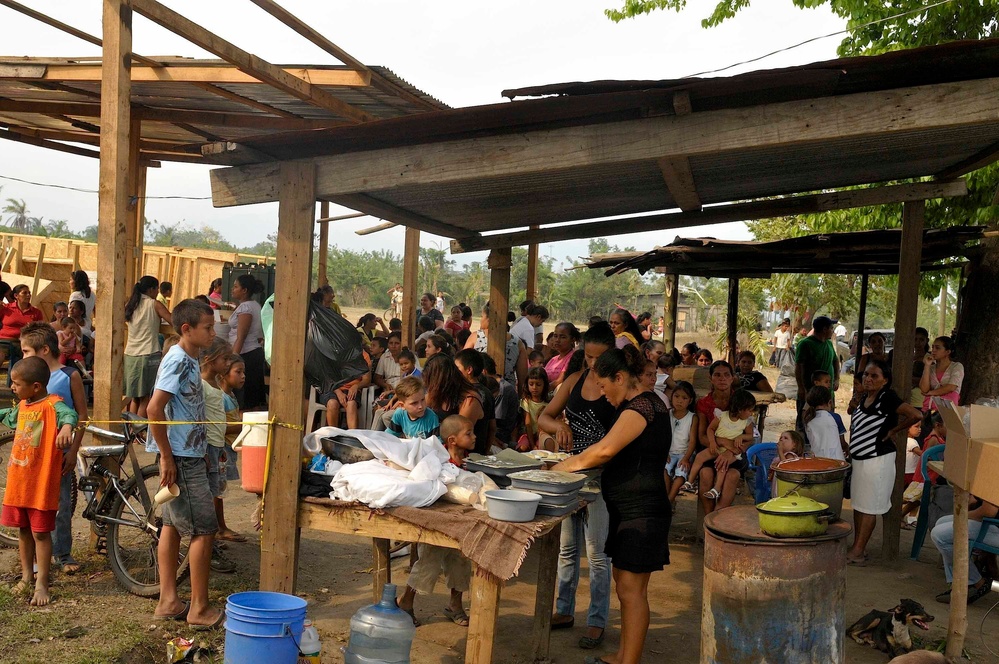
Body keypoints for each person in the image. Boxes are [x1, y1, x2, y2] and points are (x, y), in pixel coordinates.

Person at [552, 345, 672, 664]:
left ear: (620, 377)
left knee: (632, 591)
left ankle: (628, 661)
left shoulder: (641, 407)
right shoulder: (642, 405)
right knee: (626, 586)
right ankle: (622, 655)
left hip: (641, 512)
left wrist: (557, 469)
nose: (603, 393)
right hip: (631, 510)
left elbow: (603, 451)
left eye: (605, 386)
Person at [537, 322, 616, 649]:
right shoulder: (574, 380)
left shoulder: (616, 387)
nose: (593, 364)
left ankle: (597, 621)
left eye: (599, 357)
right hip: (569, 475)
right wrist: (558, 426)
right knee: (567, 550)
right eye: (589, 357)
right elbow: (544, 416)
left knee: (598, 555)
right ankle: (564, 609)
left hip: (601, 478)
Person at [148, 298, 223, 628]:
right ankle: (199, 609)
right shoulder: (177, 359)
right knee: (205, 530)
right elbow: (153, 410)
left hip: (191, 452)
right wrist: (167, 456)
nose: (213, 332)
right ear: (186, 329)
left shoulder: (192, 358)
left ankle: (168, 601)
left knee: (171, 526)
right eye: (207, 328)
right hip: (181, 458)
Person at [0, 356, 77, 606]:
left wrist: (66, 429)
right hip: (18, 482)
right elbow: (8, 417)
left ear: (36, 386)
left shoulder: (53, 405)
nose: (12, 388)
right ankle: (26, 576)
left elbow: (70, 416)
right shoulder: (22, 406)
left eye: (16, 383)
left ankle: (42, 582)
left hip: (41, 484)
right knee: (23, 531)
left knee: (41, 534)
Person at [20, 323, 88, 576]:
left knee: (61, 504)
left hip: (58, 455)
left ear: (45, 349)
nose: (23, 356)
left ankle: (62, 552)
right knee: (33, 505)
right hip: (31, 456)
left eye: (27, 351)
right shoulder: (28, 380)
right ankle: (37, 558)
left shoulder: (69, 376)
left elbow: (81, 414)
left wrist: (73, 451)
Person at [398, 414, 475, 627]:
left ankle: (455, 605)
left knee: (460, 560)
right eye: (469, 433)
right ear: (452, 440)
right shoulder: (437, 459)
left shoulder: (467, 460)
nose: (474, 437)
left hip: (460, 520)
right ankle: (406, 602)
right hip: (436, 519)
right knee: (428, 561)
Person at [844, 359, 922, 565]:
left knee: (869, 507)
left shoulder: (887, 397)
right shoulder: (864, 397)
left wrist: (895, 430)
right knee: (860, 505)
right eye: (866, 375)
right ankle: (857, 547)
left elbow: (916, 414)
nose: (868, 378)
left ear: (885, 380)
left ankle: (858, 551)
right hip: (861, 461)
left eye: (874, 376)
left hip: (877, 461)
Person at [199, 337, 237, 575]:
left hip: (216, 448)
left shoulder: (214, 386)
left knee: (214, 495)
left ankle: (211, 544)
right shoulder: (201, 386)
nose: (227, 362)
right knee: (204, 505)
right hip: (206, 450)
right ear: (208, 360)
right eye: (224, 358)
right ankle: (207, 552)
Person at [683, 389, 755, 501]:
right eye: (749, 410)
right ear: (740, 409)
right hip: (717, 447)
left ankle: (716, 489)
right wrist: (712, 442)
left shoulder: (746, 422)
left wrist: (742, 437)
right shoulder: (722, 416)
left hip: (731, 452)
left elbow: (750, 436)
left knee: (722, 465)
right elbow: (710, 429)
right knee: (699, 457)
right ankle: (690, 481)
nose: (751, 413)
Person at [930, 497, 998, 605]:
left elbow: (989, 511)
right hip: (991, 523)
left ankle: (976, 582)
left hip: (994, 526)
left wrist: (964, 516)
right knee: (941, 522)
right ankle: (961, 583)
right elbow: (973, 500)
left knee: (940, 535)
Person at [124, 276, 172, 417]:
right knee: (146, 397)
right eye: (156, 289)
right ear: (151, 289)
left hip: (131, 354)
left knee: (135, 397)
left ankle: (131, 431)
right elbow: (171, 319)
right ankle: (140, 431)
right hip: (149, 353)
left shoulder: (131, 304)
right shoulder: (154, 304)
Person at [217, 353, 246, 542]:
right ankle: (219, 528)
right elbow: (220, 427)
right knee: (217, 492)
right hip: (223, 449)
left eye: (244, 372)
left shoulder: (230, 395)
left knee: (219, 490)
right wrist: (247, 425)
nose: (243, 376)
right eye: (238, 372)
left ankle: (219, 528)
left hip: (229, 448)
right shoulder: (221, 397)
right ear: (223, 375)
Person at [795, 316, 840, 432]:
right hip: (810, 392)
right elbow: (799, 366)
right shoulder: (805, 344)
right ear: (824, 329)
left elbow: (835, 361)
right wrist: (801, 388)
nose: (832, 331)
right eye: (831, 328)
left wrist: (837, 379)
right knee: (806, 423)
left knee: (827, 423)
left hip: (827, 393)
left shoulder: (829, 344)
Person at [228, 274, 266, 410]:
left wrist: (233, 359)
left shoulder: (246, 308)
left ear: (244, 290)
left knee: (246, 397)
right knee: (252, 395)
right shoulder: (253, 305)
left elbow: (241, 337)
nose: (233, 289)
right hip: (252, 352)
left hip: (246, 354)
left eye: (236, 286)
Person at [0, 284, 45, 384]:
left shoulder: (36, 312)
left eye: (29, 293)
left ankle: (23, 385)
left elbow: (40, 330)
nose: (28, 295)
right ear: (16, 296)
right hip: (4, 341)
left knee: (30, 357)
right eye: (24, 293)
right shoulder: (6, 309)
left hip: (24, 342)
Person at [665, 381, 698, 506]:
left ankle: (670, 500)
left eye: (684, 398)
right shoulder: (667, 414)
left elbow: (693, 441)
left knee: (681, 473)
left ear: (690, 401)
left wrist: (686, 458)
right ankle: (667, 499)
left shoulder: (692, 417)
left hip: (684, 453)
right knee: (665, 471)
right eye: (676, 396)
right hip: (669, 452)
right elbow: (663, 436)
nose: (679, 401)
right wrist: (664, 453)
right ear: (671, 397)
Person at [324, 353, 371, 429]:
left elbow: (366, 380)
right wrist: (338, 392)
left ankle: (353, 436)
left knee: (351, 404)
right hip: (332, 388)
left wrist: (356, 386)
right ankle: (333, 435)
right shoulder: (332, 351)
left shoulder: (363, 355)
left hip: (351, 389)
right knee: (332, 403)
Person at [803, 385, 847, 461]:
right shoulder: (835, 417)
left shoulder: (808, 420)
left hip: (818, 462)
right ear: (829, 402)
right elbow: (842, 443)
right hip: (837, 462)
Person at [919, 335, 964, 410]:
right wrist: (927, 366)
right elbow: (924, 389)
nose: (933, 350)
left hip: (947, 410)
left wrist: (931, 393)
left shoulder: (956, 366)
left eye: (937, 348)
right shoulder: (931, 368)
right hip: (929, 408)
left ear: (948, 352)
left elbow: (951, 387)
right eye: (933, 347)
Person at [517, 366, 550, 451]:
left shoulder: (548, 403)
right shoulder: (526, 402)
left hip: (543, 434)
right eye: (531, 384)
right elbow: (528, 425)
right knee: (523, 447)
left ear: (544, 385)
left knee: (544, 447)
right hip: (528, 435)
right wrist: (532, 445)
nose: (534, 388)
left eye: (538, 384)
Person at [769, 430, 805, 495]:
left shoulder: (790, 455)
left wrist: (780, 451)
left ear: (794, 445)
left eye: (786, 438)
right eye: (781, 438)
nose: (782, 440)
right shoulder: (781, 456)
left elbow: (786, 466)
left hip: (785, 487)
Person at [545, 323, 579, 390]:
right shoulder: (553, 360)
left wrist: (542, 391)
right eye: (555, 336)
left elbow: (559, 381)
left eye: (563, 337)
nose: (557, 340)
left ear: (573, 339)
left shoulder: (573, 358)